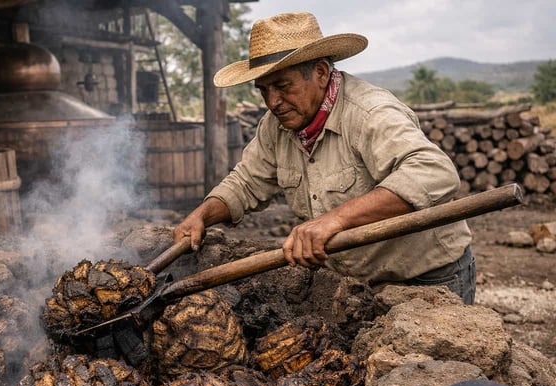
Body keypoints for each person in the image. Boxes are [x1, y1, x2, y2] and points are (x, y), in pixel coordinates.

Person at [173, 12, 476, 304]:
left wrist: (335, 220)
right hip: (354, 281)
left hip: (425, 277)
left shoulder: (369, 113)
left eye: (282, 86)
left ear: (320, 72)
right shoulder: (276, 125)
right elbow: (246, 182)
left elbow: (434, 172)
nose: (273, 102)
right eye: (263, 90)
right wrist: (202, 214)